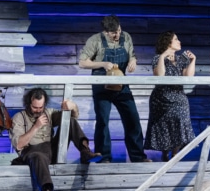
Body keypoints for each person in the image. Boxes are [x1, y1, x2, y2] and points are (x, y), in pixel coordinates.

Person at [10, 88, 100, 191]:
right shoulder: (19, 118)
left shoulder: (49, 113)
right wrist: (36, 127)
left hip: (51, 150)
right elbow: (19, 144)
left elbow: (73, 115)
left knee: (70, 121)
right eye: (35, 107)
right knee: (38, 156)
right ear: (28, 103)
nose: (38, 111)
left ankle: (85, 152)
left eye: (40, 107)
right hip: (32, 152)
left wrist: (72, 106)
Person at [79, 14, 151, 163]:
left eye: (118, 30)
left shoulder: (126, 37)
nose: (117, 35)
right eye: (113, 33)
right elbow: (82, 63)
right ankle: (104, 157)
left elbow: (132, 54)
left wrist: (133, 61)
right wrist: (103, 64)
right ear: (105, 32)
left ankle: (138, 156)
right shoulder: (95, 40)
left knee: (132, 119)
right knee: (103, 121)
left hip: (121, 83)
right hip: (101, 85)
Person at [144, 31, 196, 162]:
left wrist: (192, 61)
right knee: (164, 124)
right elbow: (160, 75)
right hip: (162, 97)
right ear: (168, 42)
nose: (179, 42)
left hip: (178, 95)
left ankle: (175, 153)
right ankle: (165, 153)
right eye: (176, 39)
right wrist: (163, 57)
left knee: (180, 118)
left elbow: (188, 77)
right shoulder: (157, 58)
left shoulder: (180, 59)